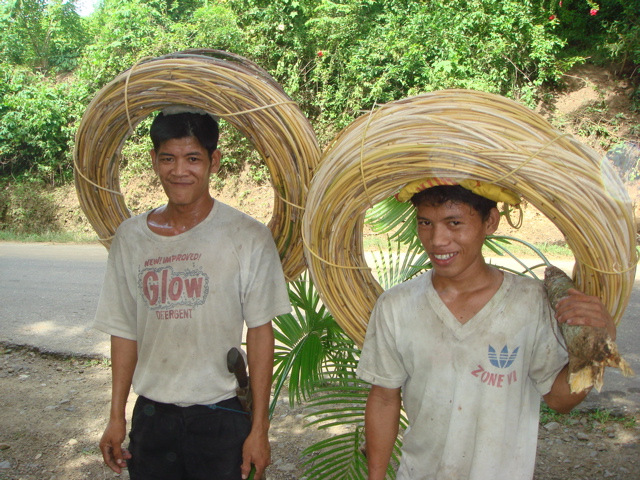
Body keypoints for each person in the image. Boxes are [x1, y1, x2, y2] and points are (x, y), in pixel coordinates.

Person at [356, 178, 616, 480]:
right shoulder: (396, 305)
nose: (437, 239)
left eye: (454, 223)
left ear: (490, 221)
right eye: (425, 223)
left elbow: (560, 400)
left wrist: (600, 344)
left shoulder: (530, 302)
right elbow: (385, 398)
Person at [94, 109, 291, 480]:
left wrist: (260, 428)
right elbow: (123, 331)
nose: (179, 171)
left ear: (213, 161)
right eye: (168, 158)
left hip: (222, 416)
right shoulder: (131, 238)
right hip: (153, 417)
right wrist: (116, 415)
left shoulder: (246, 236)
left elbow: (262, 333)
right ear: (153, 161)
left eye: (193, 158)